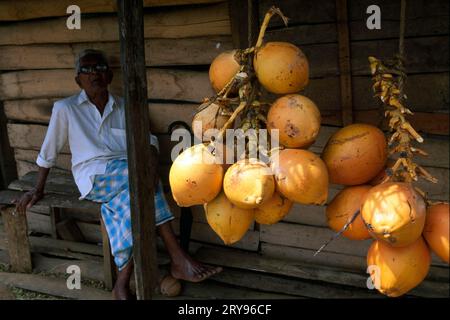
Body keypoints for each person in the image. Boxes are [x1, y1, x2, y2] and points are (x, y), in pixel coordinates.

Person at [13, 49, 222, 300]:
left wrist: (152, 165)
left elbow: (150, 142)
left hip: (128, 176)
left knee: (132, 196)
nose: (94, 74)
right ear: (78, 79)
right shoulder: (66, 109)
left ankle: (121, 284)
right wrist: (38, 188)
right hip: (92, 177)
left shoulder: (124, 106)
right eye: (87, 70)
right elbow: (48, 151)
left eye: (100, 69)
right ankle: (177, 256)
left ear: (109, 76)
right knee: (141, 181)